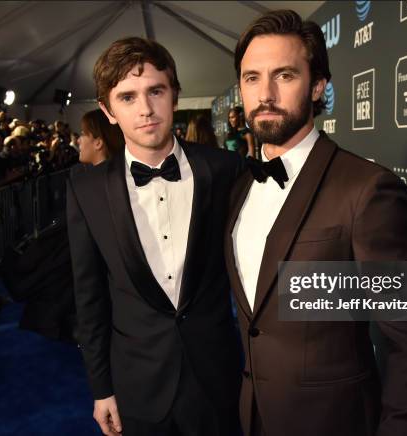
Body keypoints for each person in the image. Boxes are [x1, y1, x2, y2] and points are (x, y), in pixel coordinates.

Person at [225, 10, 407, 436]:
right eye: (252, 78)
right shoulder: (239, 187)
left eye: (284, 76)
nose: (265, 93)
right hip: (253, 417)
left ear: (318, 85)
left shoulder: (368, 189)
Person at [66, 37, 243, 436]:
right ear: (108, 111)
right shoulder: (86, 190)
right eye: (127, 97)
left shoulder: (226, 170)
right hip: (136, 386)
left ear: (174, 96)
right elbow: (89, 297)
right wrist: (100, 388)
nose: (145, 109)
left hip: (216, 378)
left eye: (155, 91)